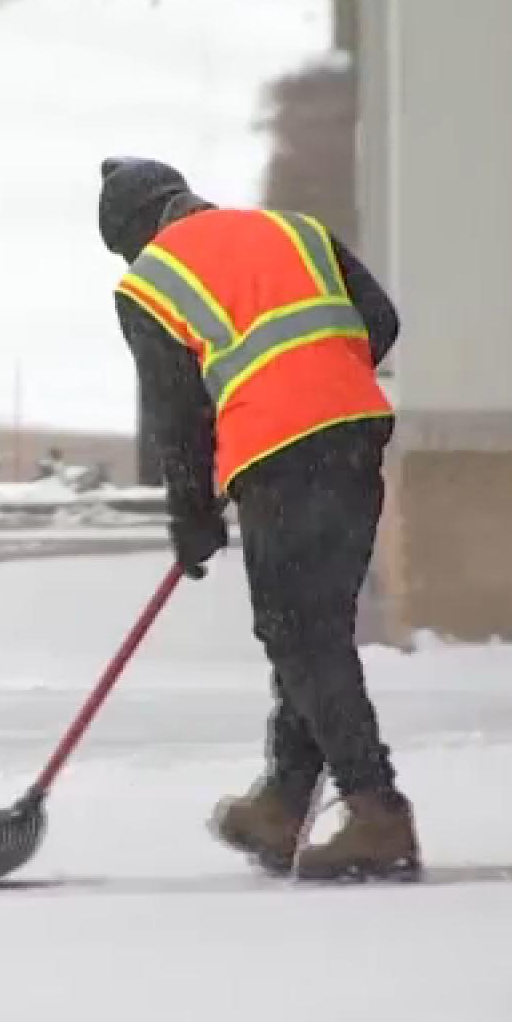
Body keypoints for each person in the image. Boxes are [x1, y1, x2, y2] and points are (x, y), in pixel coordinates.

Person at [96, 156, 420, 882]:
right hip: (356, 433)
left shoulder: (148, 282)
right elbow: (382, 319)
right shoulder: (293, 231)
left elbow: (176, 414)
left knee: (299, 633)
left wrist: (190, 514)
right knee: (314, 628)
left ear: (135, 232)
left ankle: (377, 810)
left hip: (278, 453)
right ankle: (282, 802)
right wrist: (324, 381)